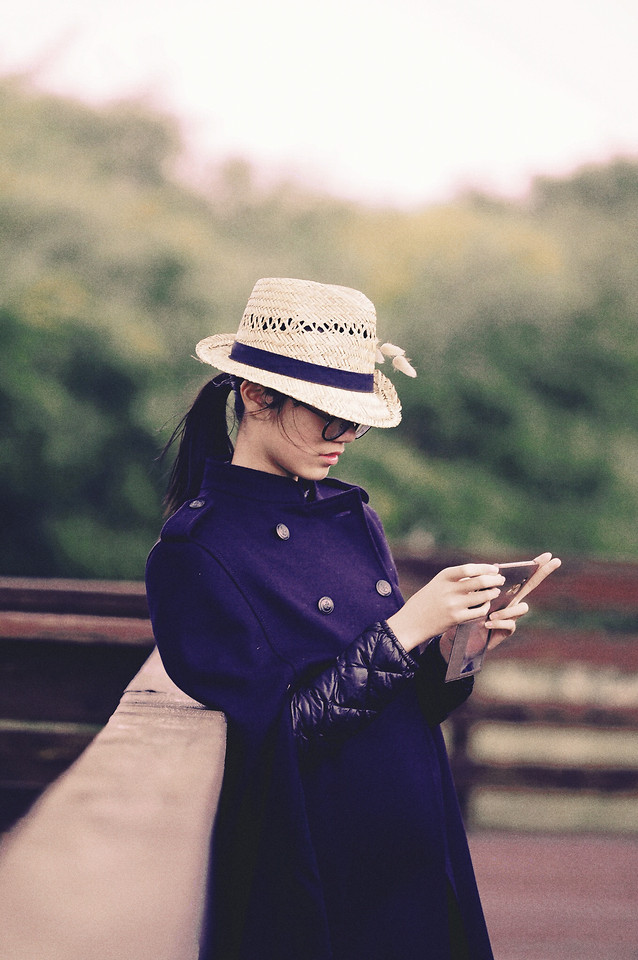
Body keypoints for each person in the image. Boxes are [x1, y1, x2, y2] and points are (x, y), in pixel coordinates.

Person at [145, 277, 560, 960]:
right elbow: (276, 741)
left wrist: (458, 646)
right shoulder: (197, 552)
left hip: (420, 847)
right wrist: (405, 628)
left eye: (356, 417)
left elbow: (409, 704)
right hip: (324, 876)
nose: (345, 435)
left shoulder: (350, 515)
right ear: (256, 395)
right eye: (326, 414)